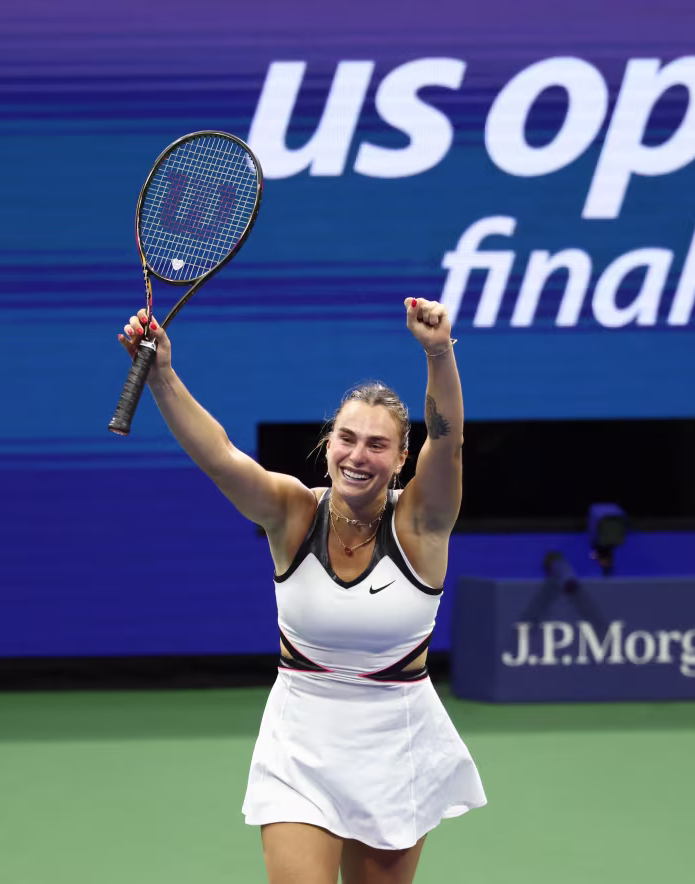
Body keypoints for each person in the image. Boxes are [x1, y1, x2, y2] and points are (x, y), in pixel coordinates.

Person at [117, 297, 486, 884]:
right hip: (301, 740)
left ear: (400, 459)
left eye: (377, 444)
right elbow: (219, 457)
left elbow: (449, 444)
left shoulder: (421, 524)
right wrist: (161, 374)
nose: (357, 455)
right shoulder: (292, 512)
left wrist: (438, 352)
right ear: (328, 442)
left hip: (398, 740)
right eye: (347, 438)